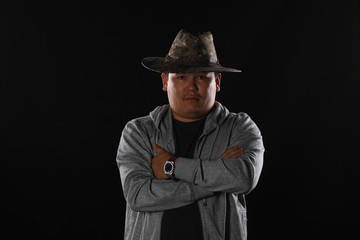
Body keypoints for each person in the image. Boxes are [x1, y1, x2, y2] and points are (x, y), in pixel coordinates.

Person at [116, 29, 264, 240]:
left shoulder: (239, 128)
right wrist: (213, 182)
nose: (191, 87)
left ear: (218, 82)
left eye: (202, 77)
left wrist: (172, 166)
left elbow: (244, 176)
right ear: (165, 81)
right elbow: (138, 195)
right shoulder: (139, 132)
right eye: (182, 77)